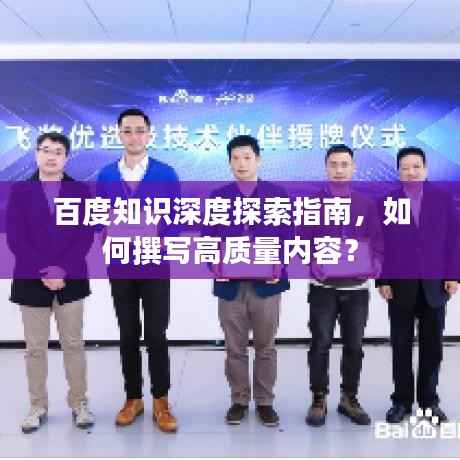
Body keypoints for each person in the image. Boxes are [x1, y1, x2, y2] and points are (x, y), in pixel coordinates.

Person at [97, 108, 179, 432]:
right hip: (120, 265)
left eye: (140, 130)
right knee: (127, 333)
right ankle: (133, 398)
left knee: (156, 334)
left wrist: (157, 236)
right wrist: (108, 231)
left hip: (155, 264)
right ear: (119, 134)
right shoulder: (106, 175)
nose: (134, 136)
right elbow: (98, 218)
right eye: (128, 130)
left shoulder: (166, 174)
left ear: (149, 134)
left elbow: (176, 219)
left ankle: (161, 400)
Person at [7, 132, 94, 433]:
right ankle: (37, 406)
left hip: (71, 279)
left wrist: (62, 270)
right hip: (31, 280)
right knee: (35, 348)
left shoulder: (80, 191)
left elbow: (85, 236)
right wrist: (45, 271)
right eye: (45, 150)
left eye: (58, 151)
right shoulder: (20, 191)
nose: (51, 156)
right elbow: (16, 239)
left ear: (66, 158)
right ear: (36, 154)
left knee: (74, 344)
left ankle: (79, 403)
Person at [209, 135, 292, 427]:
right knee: (235, 347)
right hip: (230, 285)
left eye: (247, 157)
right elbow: (209, 239)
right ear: (229, 162)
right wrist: (215, 266)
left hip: (266, 285)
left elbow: (288, 237)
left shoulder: (277, 195)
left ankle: (265, 402)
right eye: (235, 158)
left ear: (258, 160)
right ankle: (239, 400)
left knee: (266, 346)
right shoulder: (219, 197)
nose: (241, 163)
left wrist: (279, 267)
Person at [376, 146, 458, 424]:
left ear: (426, 169)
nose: (411, 172)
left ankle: (429, 401)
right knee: (401, 346)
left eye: (416, 167)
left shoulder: (443, 198)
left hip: (436, 286)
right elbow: (381, 245)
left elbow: (454, 240)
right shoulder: (387, 202)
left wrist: (454, 275)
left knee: (432, 347)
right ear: (398, 172)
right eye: (405, 168)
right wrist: (382, 279)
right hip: (400, 287)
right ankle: (401, 401)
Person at [304, 144, 383, 427]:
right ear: (326, 168)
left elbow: (377, 241)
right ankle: (319, 398)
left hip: (357, 288)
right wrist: (311, 262)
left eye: (344, 164)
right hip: (323, 287)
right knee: (320, 343)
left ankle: (349, 398)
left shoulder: (366, 204)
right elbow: (302, 239)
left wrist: (376, 263)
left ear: (353, 168)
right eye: (333, 164)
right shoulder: (312, 203)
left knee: (354, 346)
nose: (339, 170)